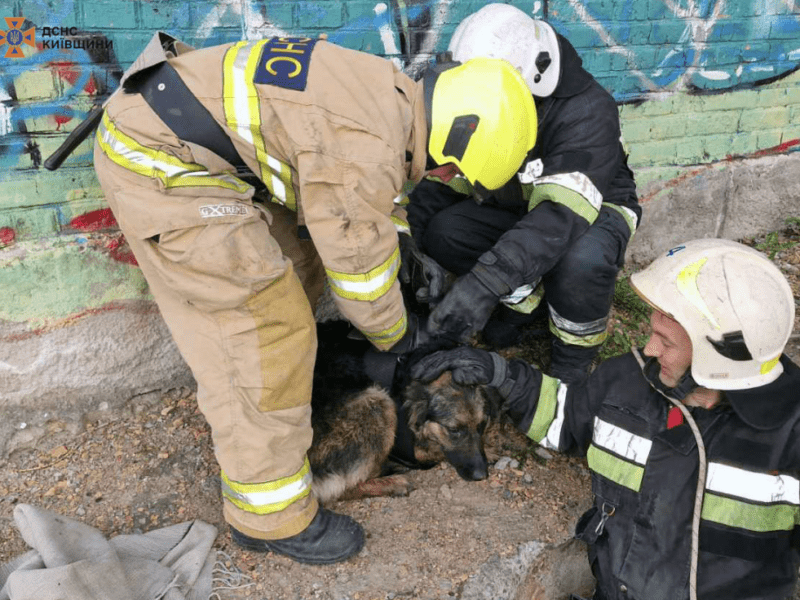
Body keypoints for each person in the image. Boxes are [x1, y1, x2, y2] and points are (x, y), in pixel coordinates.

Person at [92, 31, 537, 564]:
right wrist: (404, 336)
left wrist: (406, 257)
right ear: (453, 141)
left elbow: (353, 203)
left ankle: (269, 418)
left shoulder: (388, 97)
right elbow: (360, 275)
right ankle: (268, 517)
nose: (446, 178)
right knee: (270, 328)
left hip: (179, 138)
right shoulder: (365, 145)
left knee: (299, 271)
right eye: (455, 170)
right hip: (161, 166)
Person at [412, 238, 800, 600]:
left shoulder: (791, 436)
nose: (648, 348)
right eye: (654, 332)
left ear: (720, 357)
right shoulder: (625, 382)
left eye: (666, 342)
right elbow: (565, 418)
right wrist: (500, 374)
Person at [406, 3, 641, 384]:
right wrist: (410, 246)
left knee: (581, 259)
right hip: (523, 207)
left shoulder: (587, 110)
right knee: (445, 230)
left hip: (592, 212)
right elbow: (446, 180)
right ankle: (525, 303)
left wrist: (482, 286)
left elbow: (559, 218)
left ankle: (572, 363)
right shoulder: (487, 102)